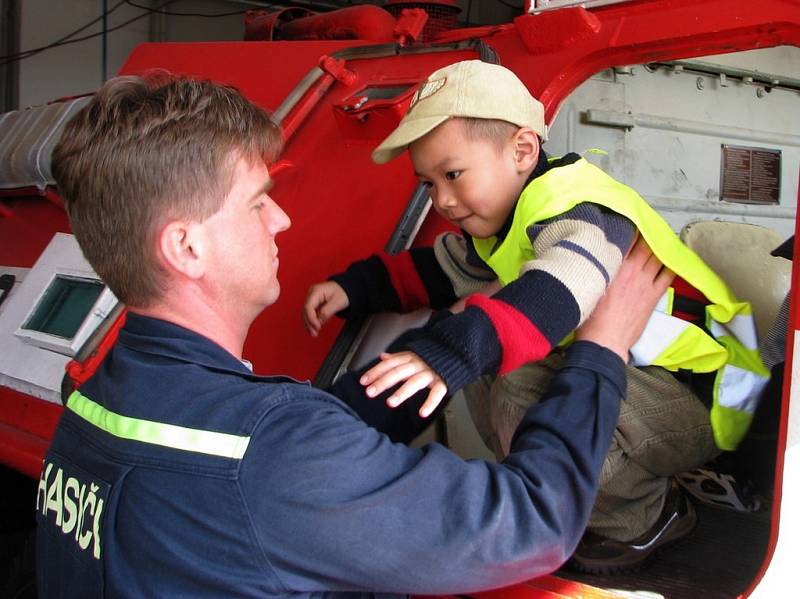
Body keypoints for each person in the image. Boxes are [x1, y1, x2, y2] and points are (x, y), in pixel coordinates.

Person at [36, 73, 671, 598]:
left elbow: (294, 443)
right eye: (259, 202)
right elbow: (534, 524)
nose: (281, 219)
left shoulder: (91, 402)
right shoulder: (275, 454)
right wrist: (601, 348)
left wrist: (425, 361)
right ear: (186, 246)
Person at [303, 59, 770, 573]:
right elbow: (443, 271)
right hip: (647, 388)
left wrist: (449, 353)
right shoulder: (506, 223)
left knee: (516, 389)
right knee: (493, 371)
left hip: (701, 399)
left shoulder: (581, 211)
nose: (442, 200)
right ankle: (598, 495)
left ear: (523, 151)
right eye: (428, 184)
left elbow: (560, 288)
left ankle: (643, 521)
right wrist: (355, 288)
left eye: (453, 175)